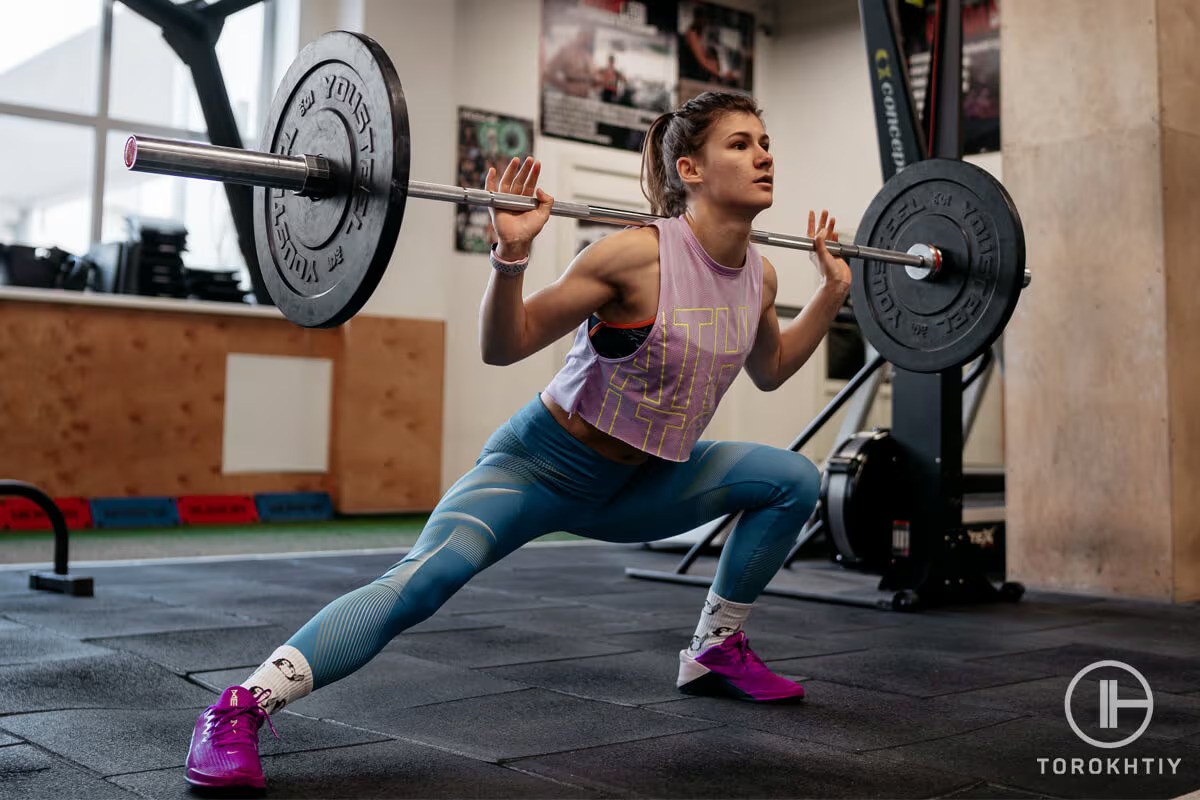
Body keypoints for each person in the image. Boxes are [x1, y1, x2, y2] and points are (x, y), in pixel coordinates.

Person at [184, 90, 852, 790]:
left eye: (764, 142)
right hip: (540, 468)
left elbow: (772, 371)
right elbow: (504, 345)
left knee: (794, 479)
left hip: (646, 482)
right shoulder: (633, 257)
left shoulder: (761, 275)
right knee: (425, 579)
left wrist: (830, 297)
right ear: (690, 168)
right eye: (740, 143)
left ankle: (714, 647)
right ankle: (238, 708)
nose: (763, 154)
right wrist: (510, 255)